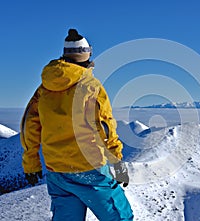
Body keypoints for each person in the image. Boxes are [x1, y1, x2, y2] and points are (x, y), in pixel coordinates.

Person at [20, 29, 134, 221]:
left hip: (57, 170)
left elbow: (29, 127)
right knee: (120, 217)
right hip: (90, 168)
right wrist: (117, 162)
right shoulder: (91, 86)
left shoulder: (44, 88)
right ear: (87, 54)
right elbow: (105, 128)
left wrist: (31, 163)